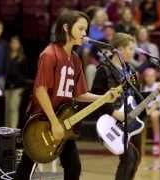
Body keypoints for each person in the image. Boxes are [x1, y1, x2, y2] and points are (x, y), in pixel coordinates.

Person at [16, 10, 119, 180]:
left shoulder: (76, 59)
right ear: (66, 28)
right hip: (41, 121)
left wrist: (104, 97)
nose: (84, 34)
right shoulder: (49, 54)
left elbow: (80, 94)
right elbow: (40, 91)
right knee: (26, 169)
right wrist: (54, 122)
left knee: (73, 167)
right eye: (80, 29)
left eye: (85, 30)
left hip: (64, 121)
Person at [91, 32, 146, 180]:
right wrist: (113, 112)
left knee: (136, 158)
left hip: (132, 119)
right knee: (128, 158)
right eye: (130, 48)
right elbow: (96, 98)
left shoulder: (132, 72)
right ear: (119, 49)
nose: (132, 52)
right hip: (113, 120)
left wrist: (154, 95)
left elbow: (136, 97)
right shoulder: (104, 70)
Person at [5, 36, 30, 128]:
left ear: (19, 45)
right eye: (12, 42)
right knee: (7, 109)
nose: (14, 45)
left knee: (13, 108)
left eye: (16, 43)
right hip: (7, 86)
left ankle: (12, 129)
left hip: (18, 87)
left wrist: (20, 82)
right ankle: (6, 128)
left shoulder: (22, 58)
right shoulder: (6, 56)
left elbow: (25, 74)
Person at [142, 68, 160, 156]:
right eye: (147, 76)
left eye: (152, 76)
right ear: (145, 78)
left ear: (155, 77)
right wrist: (146, 111)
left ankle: (157, 141)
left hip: (158, 109)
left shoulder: (158, 86)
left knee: (154, 115)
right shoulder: (143, 88)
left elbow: (157, 103)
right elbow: (143, 103)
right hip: (147, 109)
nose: (150, 78)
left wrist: (148, 112)